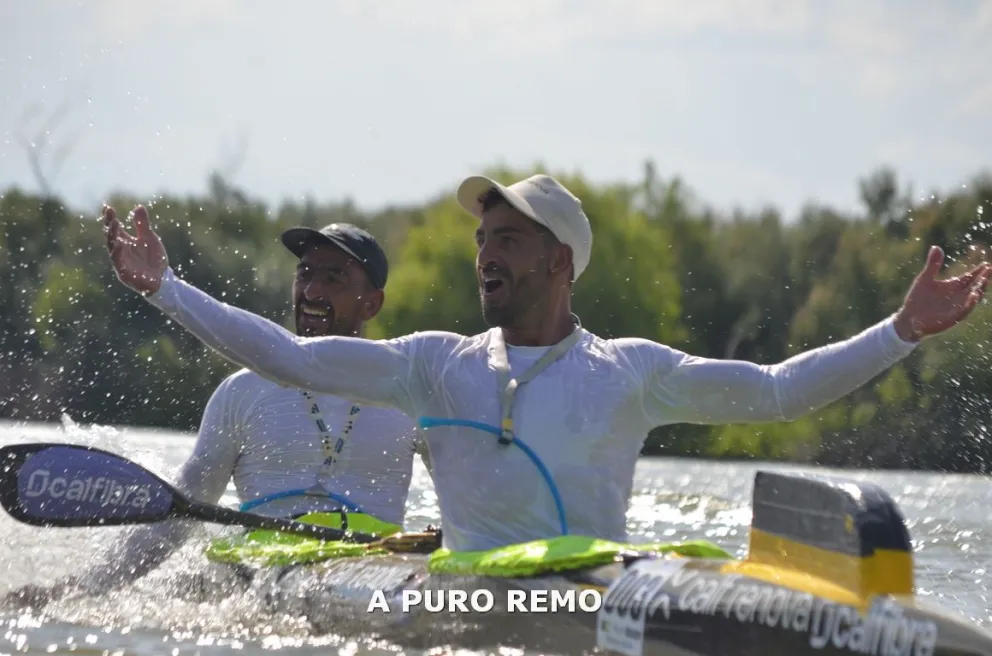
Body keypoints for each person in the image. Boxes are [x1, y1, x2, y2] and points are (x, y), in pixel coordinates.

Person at [99, 174, 991, 554]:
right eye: (483, 238)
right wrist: (165, 288)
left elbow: (780, 393)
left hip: (584, 589)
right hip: (460, 606)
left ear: (559, 261)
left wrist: (901, 331)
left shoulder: (630, 371)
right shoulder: (431, 367)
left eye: (509, 241)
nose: (485, 253)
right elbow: (284, 355)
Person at [5, 222, 427, 607]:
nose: (312, 290)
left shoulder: (412, 395)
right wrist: (84, 588)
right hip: (269, 566)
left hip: (378, 563)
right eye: (305, 273)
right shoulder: (241, 392)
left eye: (334, 277)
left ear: (372, 303)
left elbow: (470, 495)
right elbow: (181, 512)